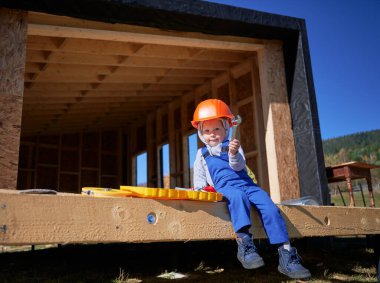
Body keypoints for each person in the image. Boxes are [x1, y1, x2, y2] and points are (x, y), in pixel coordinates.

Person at [191, 99, 311, 280]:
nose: (212, 134)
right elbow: (199, 177)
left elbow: (239, 167)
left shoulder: (233, 145)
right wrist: (200, 190)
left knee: (269, 207)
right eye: (207, 131)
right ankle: (245, 245)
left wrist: (232, 154)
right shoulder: (202, 154)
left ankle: (287, 256)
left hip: (248, 185)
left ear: (226, 128)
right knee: (238, 197)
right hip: (225, 188)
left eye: (217, 129)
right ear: (201, 133)